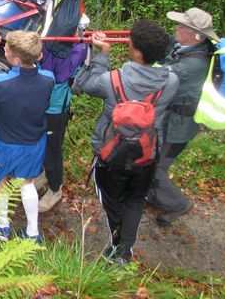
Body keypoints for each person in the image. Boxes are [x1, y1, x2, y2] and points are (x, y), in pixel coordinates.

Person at [72, 21, 179, 264]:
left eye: (130, 43)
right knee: (135, 200)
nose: (128, 45)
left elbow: (84, 86)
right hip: (147, 154)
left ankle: (118, 248)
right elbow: (167, 70)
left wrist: (103, 54)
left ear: (137, 52)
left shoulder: (112, 80)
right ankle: (124, 250)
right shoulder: (171, 82)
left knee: (112, 203)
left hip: (111, 156)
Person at [0, 27, 55, 243]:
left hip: (4, 143)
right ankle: (33, 233)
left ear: (14, 58)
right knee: (26, 183)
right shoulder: (48, 79)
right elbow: (36, 69)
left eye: (5, 48)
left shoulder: (2, 83)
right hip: (34, 142)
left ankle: (3, 225)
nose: (3, 49)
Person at [146, 8, 219, 224]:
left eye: (181, 26)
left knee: (157, 167)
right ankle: (155, 195)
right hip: (169, 120)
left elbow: (160, 76)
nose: (176, 28)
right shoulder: (185, 48)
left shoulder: (195, 63)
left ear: (195, 34)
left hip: (179, 126)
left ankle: (178, 204)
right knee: (152, 159)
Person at [36, 39, 89, 213]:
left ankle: (55, 188)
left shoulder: (79, 46)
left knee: (53, 150)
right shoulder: (50, 37)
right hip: (40, 101)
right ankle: (44, 174)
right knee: (40, 143)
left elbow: (60, 75)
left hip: (56, 106)